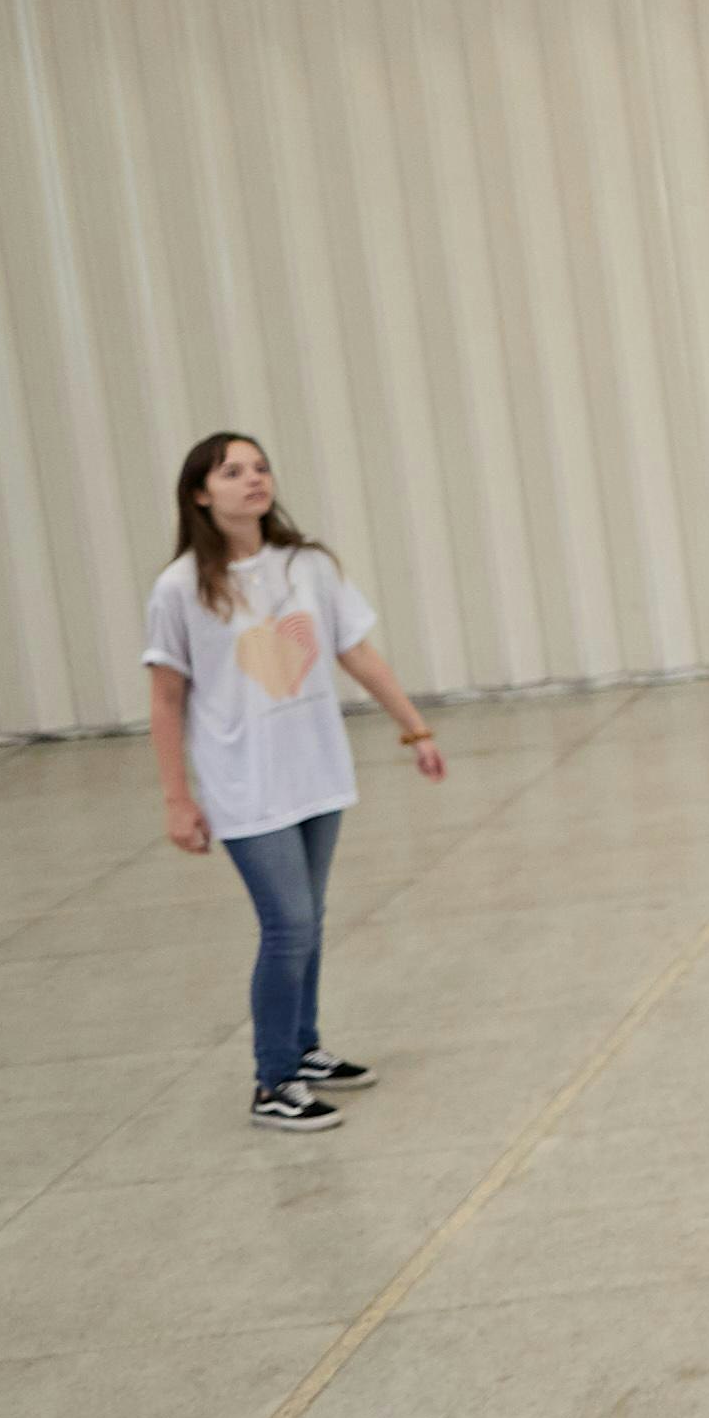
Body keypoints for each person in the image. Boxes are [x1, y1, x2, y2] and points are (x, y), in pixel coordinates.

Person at [143, 432, 446, 1131]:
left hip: (315, 770)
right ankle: (273, 1081)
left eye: (260, 468)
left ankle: (304, 1048)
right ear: (200, 494)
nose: (253, 479)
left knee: (310, 918)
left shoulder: (307, 566)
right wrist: (177, 799)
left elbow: (355, 652)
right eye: (232, 472)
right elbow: (165, 698)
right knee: (288, 926)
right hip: (244, 783)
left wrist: (415, 729)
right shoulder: (180, 587)